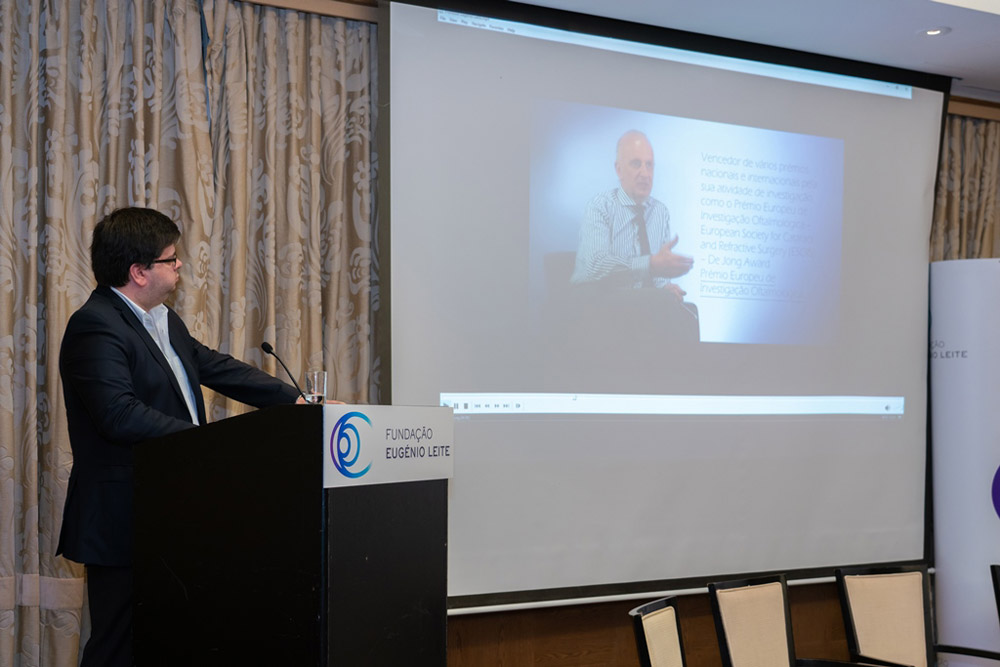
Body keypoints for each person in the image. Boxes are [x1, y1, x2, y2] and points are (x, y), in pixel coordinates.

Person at [57, 207, 302, 667]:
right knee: (117, 646)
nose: (180, 264)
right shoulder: (95, 325)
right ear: (139, 272)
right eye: (171, 259)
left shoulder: (162, 319)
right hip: (124, 518)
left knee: (171, 638)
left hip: (173, 509)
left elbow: (214, 366)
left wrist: (296, 400)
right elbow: (118, 414)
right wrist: (206, 443)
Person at [571, 130, 694, 299]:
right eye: (636, 164)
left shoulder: (660, 212)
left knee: (684, 309)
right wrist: (650, 264)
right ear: (619, 170)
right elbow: (596, 267)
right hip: (601, 303)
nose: (645, 173)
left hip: (643, 305)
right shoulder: (600, 206)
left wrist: (665, 286)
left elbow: (658, 278)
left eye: (649, 165)